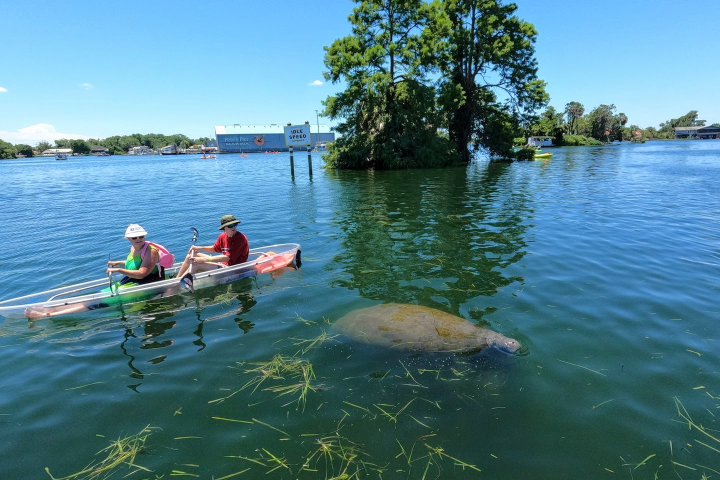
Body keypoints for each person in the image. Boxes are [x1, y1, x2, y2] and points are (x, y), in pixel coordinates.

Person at [174, 214, 249, 279]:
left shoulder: (240, 238)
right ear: (224, 228)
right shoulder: (222, 236)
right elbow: (215, 248)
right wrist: (198, 248)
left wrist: (204, 259)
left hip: (234, 270)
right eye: (230, 225)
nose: (233, 227)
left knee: (196, 265)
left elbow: (227, 257)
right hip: (223, 264)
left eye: (235, 224)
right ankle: (177, 280)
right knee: (190, 256)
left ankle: (176, 285)